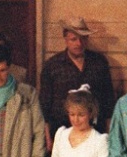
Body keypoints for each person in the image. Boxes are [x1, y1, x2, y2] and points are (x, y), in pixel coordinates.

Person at [39, 17, 115, 148]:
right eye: (73, 39)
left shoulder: (99, 62)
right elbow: (44, 105)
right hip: (61, 133)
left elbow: (108, 101)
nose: (79, 43)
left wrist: (108, 135)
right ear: (65, 39)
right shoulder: (52, 65)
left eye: (83, 39)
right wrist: (48, 139)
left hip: (95, 133)